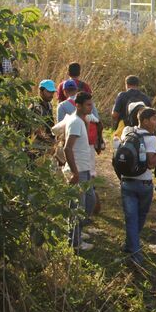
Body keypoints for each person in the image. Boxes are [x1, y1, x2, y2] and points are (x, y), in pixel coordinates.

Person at [119, 107, 156, 264]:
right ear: (145, 121)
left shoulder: (128, 131)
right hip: (143, 184)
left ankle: (130, 245)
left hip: (126, 181)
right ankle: (136, 255)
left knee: (131, 218)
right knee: (138, 218)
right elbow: (151, 164)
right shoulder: (151, 139)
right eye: (154, 119)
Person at [63, 92, 97, 251]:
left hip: (85, 170)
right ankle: (74, 243)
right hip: (78, 171)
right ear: (78, 105)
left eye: (91, 104)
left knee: (89, 202)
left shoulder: (81, 120)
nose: (91, 107)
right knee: (77, 208)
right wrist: (75, 173)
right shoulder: (76, 122)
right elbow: (67, 148)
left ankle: (77, 233)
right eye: (88, 105)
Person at [29, 79, 56, 149]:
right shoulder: (36, 106)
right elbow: (37, 131)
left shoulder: (49, 105)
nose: (51, 95)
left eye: (52, 92)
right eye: (49, 92)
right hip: (35, 145)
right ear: (41, 91)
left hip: (45, 144)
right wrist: (51, 141)